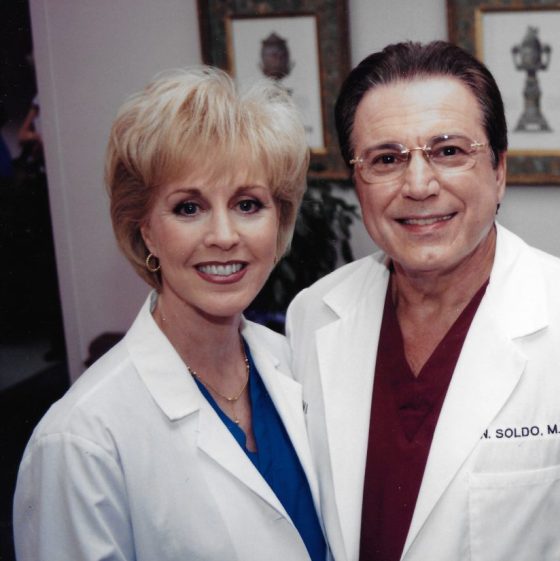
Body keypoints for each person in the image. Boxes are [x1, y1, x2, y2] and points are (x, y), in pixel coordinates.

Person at [286, 41, 560, 561]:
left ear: (499, 170)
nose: (418, 185)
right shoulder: (312, 315)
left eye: (449, 152)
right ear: (356, 182)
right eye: (386, 159)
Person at [14, 66, 327, 561]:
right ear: (146, 232)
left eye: (248, 204)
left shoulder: (295, 364)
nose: (224, 236)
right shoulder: (80, 440)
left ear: (279, 222)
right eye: (188, 208)